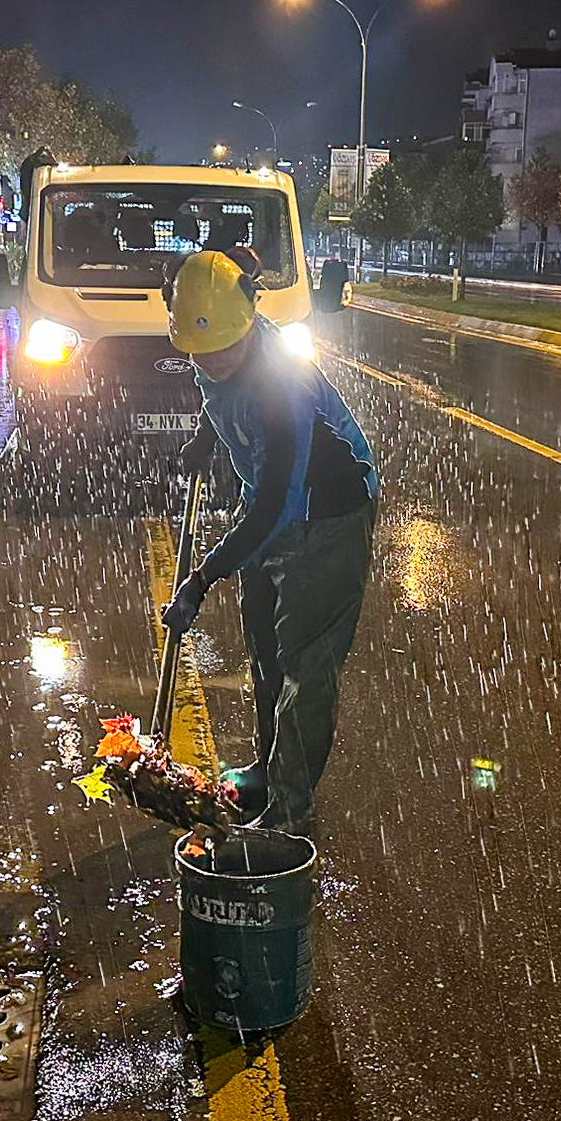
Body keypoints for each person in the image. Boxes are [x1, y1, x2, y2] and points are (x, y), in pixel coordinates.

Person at [161, 249, 377, 835]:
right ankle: (265, 765)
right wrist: (207, 436)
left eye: (224, 349)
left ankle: (289, 811)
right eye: (198, 355)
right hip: (272, 501)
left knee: (304, 665)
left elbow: (276, 508)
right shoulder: (214, 347)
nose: (211, 363)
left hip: (328, 508)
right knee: (264, 648)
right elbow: (222, 392)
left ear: (250, 324)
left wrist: (202, 578)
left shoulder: (282, 382)